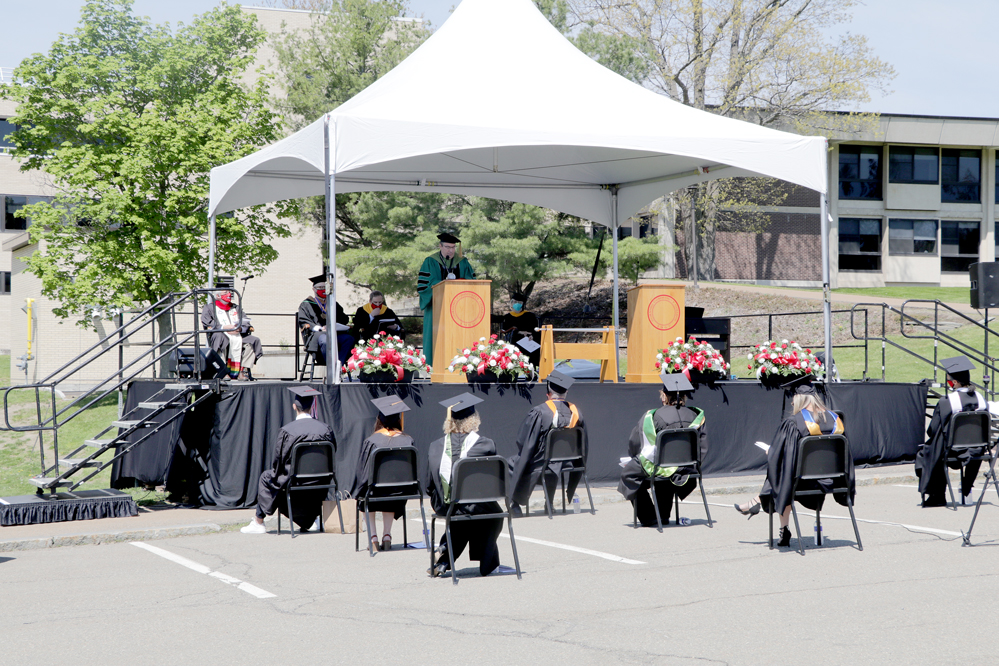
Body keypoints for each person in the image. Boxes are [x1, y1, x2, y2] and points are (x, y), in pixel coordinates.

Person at [734, 375, 850, 548]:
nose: (791, 402)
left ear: (799, 398)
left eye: (793, 398)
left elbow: (782, 455)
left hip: (802, 482)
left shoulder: (793, 422)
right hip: (833, 479)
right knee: (784, 471)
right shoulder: (836, 419)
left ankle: (775, 519)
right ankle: (759, 505)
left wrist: (771, 452)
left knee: (782, 472)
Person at [423, 393, 503, 578]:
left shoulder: (435, 446)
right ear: (474, 420)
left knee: (462, 513)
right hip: (476, 503)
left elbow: (428, 485)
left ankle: (444, 555)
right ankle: (488, 564)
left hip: (444, 504)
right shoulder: (485, 445)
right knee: (491, 514)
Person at [241, 386, 334, 534]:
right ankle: (314, 519)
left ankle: (259, 522)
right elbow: (332, 453)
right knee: (305, 483)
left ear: (294, 407)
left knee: (267, 477)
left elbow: (279, 460)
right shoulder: (325, 429)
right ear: (312, 407)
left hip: (294, 480)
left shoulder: (288, 431)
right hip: (320, 481)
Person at [619, 373, 707, 527]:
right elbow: (703, 448)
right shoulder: (697, 416)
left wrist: (634, 457)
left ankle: (649, 517)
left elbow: (635, 443)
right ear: (684, 397)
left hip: (660, 466)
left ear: (664, 396)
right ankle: (663, 515)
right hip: (688, 470)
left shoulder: (653, 416)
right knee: (668, 468)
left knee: (629, 474)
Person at [508, 370, 586, 517]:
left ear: (548, 394)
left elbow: (524, 441)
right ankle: (549, 503)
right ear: (566, 393)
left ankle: (515, 505)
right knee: (553, 461)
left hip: (543, 461)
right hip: (568, 461)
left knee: (514, 462)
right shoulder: (576, 412)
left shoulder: (540, 411)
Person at [916, 356, 988, 507]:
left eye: (949, 380)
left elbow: (933, 429)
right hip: (978, 449)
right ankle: (967, 487)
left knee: (931, 449)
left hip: (953, 451)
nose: (948, 382)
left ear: (954, 382)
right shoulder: (981, 399)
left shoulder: (948, 401)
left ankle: (937, 495)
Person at [351, 396, 413, 552]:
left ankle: (373, 538)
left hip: (375, 491)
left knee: (366, 492)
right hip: (399, 492)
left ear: (379, 419)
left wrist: (358, 490)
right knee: (390, 490)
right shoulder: (408, 440)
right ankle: (387, 535)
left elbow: (363, 473)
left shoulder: (372, 441)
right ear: (398, 419)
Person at [416, 232, 475, 366]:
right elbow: (424, 286)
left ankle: (462, 366)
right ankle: (434, 366)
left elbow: (472, 282)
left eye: (453, 247)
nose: (451, 250)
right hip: (436, 306)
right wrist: (443, 283)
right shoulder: (430, 261)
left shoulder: (463, 262)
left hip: (459, 308)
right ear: (440, 246)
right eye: (448, 247)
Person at [298, 273, 354, 367]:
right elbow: (303, 320)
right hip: (317, 334)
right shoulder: (307, 304)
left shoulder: (332, 303)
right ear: (314, 289)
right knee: (325, 340)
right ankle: (331, 365)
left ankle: (339, 365)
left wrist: (335, 324)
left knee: (348, 339)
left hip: (334, 333)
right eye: (320, 287)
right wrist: (319, 328)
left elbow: (344, 319)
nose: (322, 290)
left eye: (325, 287)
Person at [200, 284, 243, 379]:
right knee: (220, 337)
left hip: (237, 334)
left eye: (230, 292)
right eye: (225, 292)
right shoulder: (210, 307)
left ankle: (241, 371)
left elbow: (244, 320)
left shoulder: (235, 307)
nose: (229, 294)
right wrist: (224, 327)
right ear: (218, 295)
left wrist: (240, 328)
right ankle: (222, 370)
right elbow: (207, 322)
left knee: (253, 340)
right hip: (220, 333)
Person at [498, 292, 541, 367]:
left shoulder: (530, 316)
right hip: (515, 342)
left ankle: (531, 370)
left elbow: (535, 329)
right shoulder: (508, 317)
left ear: (522, 304)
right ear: (511, 303)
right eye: (515, 302)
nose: (517, 304)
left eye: (519, 302)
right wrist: (519, 332)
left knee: (531, 359)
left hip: (529, 341)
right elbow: (505, 330)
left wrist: (532, 336)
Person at [239, 316, 263, 381]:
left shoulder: (239, 311)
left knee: (254, 342)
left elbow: (245, 321)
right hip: (230, 333)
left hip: (243, 335)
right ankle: (241, 371)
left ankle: (243, 369)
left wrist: (249, 326)